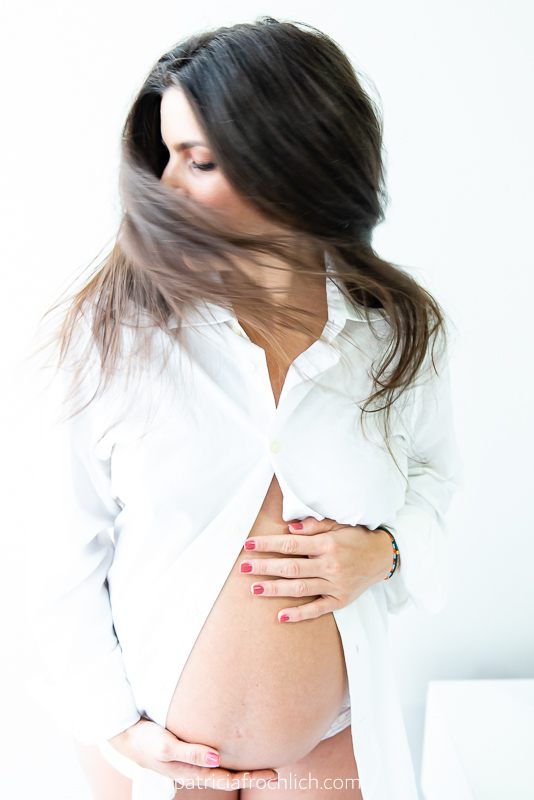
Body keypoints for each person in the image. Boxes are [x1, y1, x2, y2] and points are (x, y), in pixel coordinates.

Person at [26, 16, 463, 800]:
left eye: (198, 160)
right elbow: (60, 553)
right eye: (165, 157)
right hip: (154, 749)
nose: (166, 186)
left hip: (328, 747)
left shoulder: (392, 331)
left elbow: (436, 481)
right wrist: (117, 730)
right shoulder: (115, 332)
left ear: (297, 159)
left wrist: (386, 550)